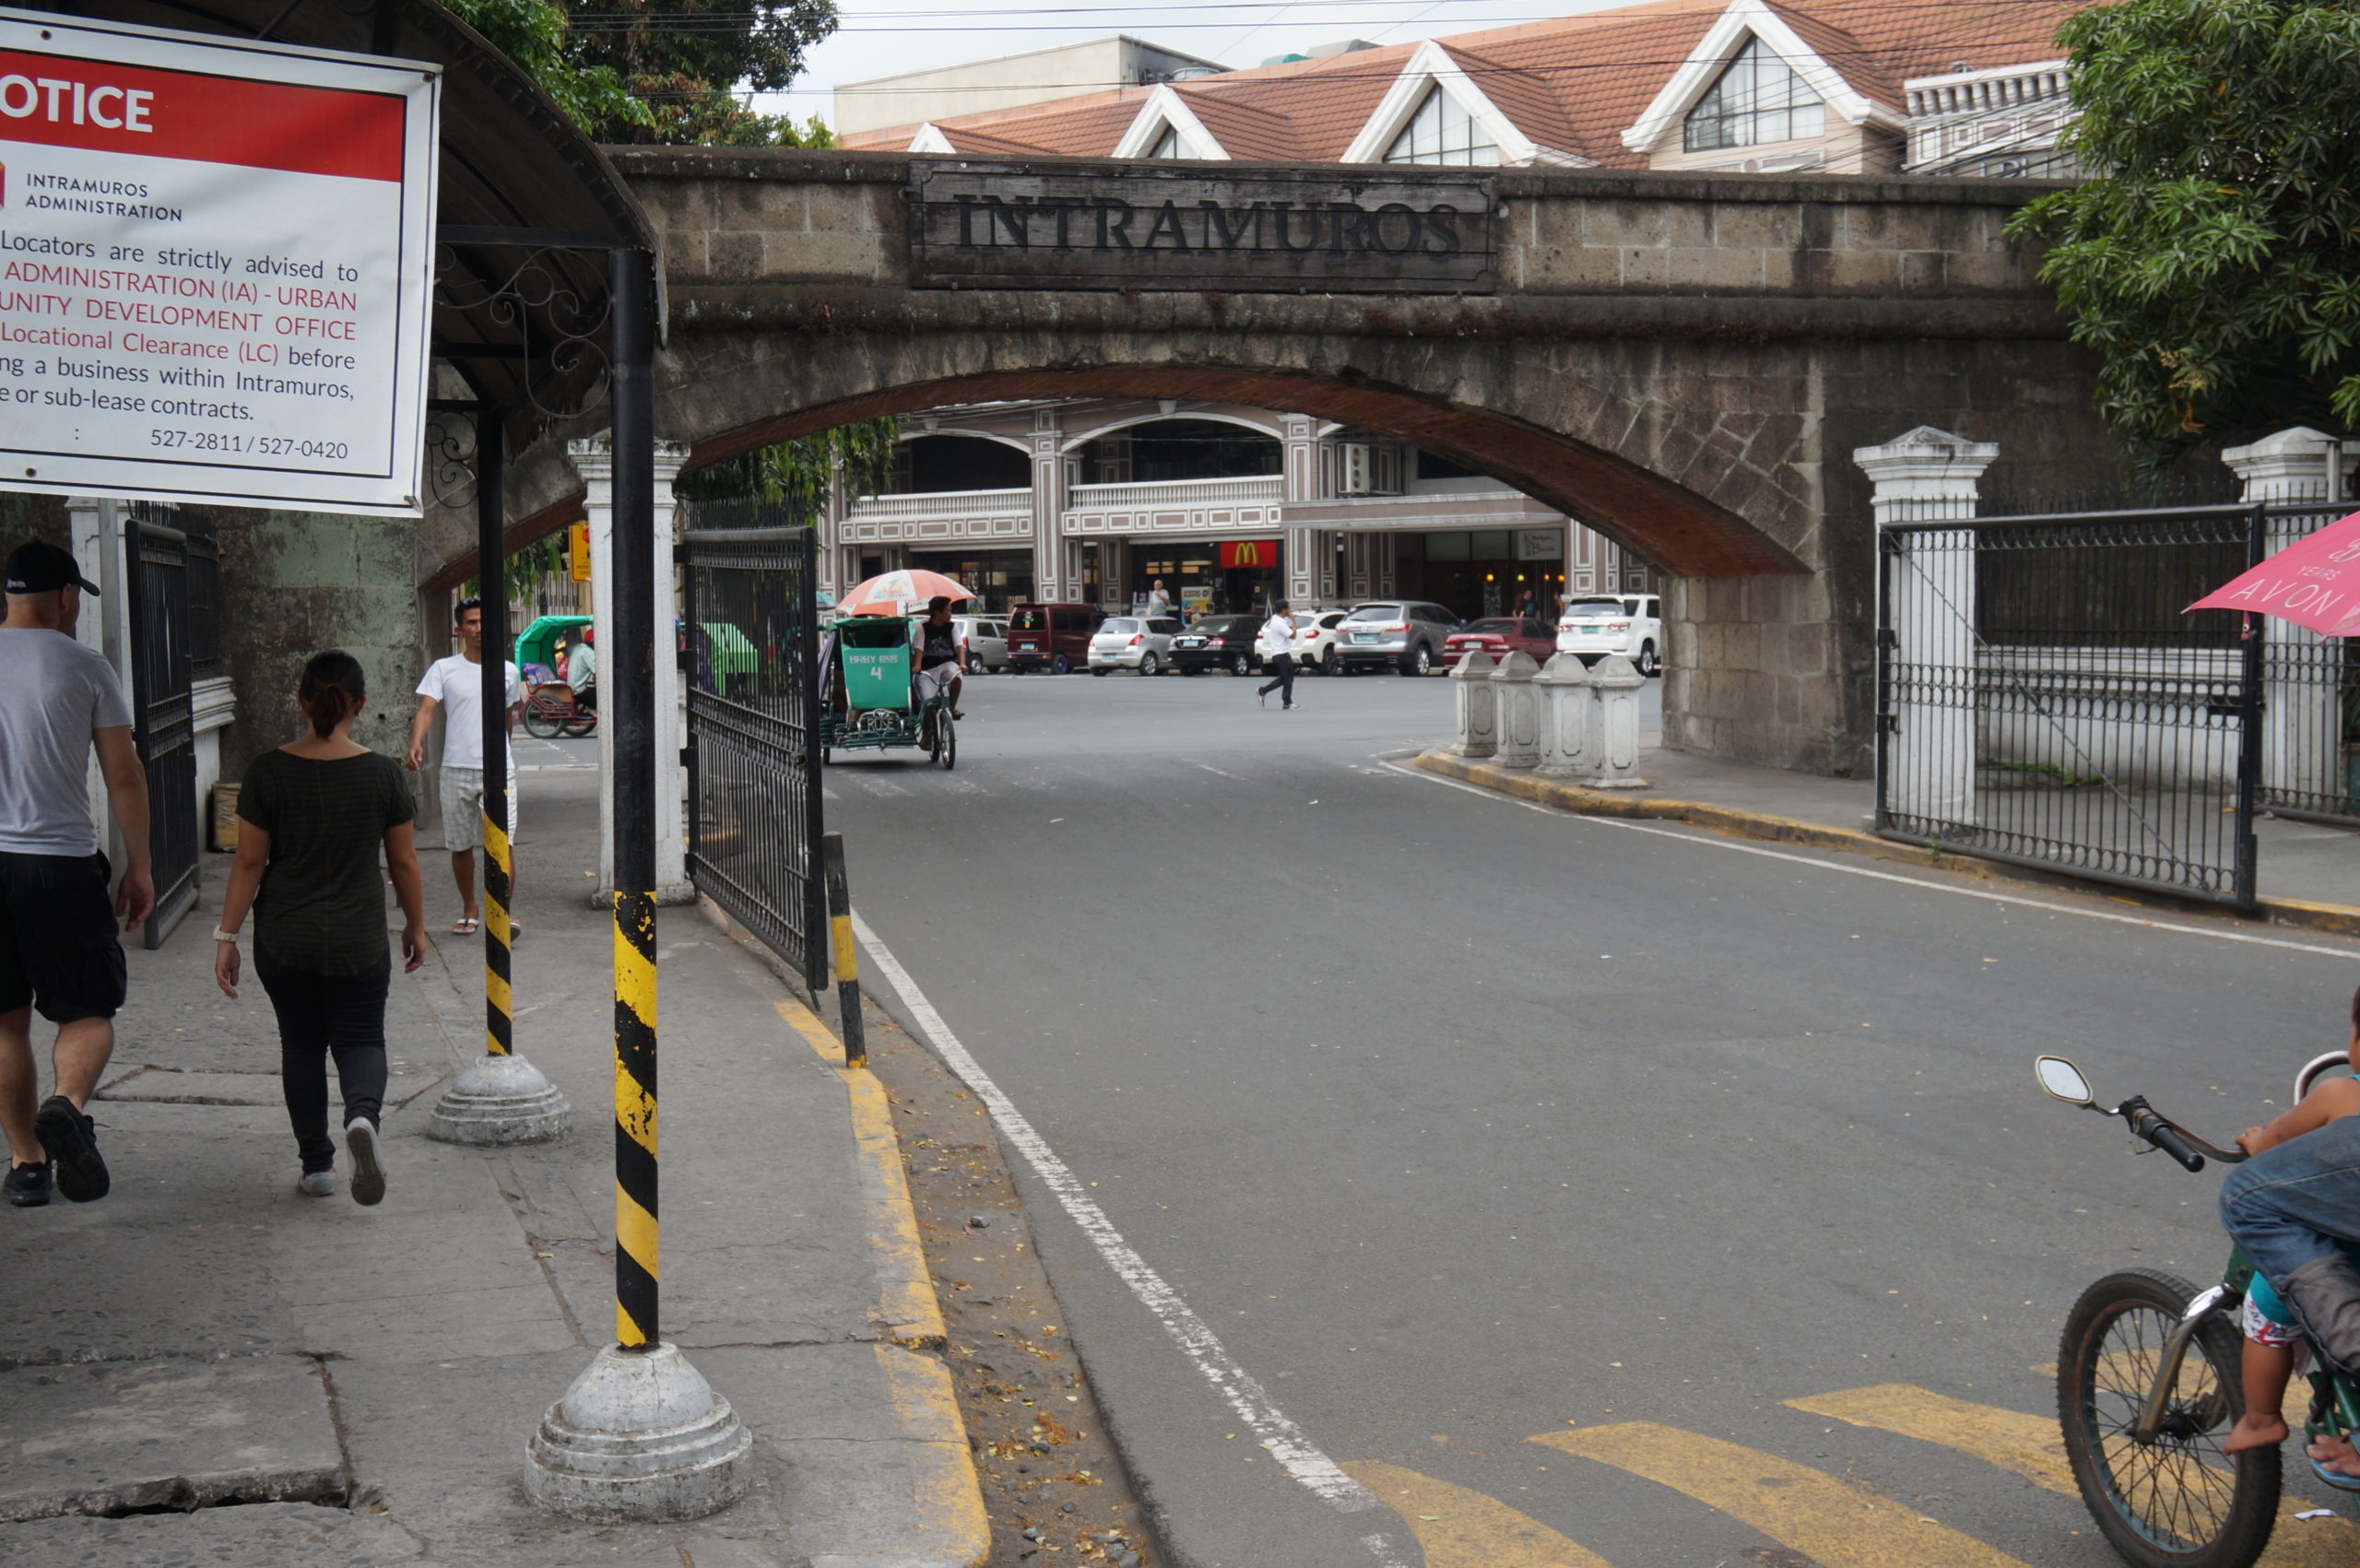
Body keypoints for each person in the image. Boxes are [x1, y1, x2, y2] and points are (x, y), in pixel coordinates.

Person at [215, 653, 425, 1204]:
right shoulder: (383, 775)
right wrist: (416, 925)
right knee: (361, 1038)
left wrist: (226, 936)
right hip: (358, 937)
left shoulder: (267, 772)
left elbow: (248, 864)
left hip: (284, 939)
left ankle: (318, 1166)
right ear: (361, 705)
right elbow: (404, 863)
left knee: (301, 1045)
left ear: (301, 701)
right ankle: (362, 1119)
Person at [0, 540, 152, 1208]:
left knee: (5, 1023)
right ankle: (65, 1103)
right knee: (88, 1009)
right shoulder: (87, 666)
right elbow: (123, 772)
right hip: (57, 862)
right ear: (66, 597)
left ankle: (27, 1164)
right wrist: (140, 863)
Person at [2221, 986, 2360, 1478]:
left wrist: (2257, 1140)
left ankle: (2259, 1420)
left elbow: (2275, 1144)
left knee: (2266, 1309)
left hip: (2341, 1260)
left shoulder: (2340, 1093)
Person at [406, 597, 523, 937]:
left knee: (503, 844)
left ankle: (502, 912)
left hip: (498, 772)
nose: (479, 629)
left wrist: (504, 754)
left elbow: (507, 718)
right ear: (459, 630)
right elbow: (427, 709)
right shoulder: (444, 669)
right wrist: (417, 742)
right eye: (471, 623)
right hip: (455, 769)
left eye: (484, 622)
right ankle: (470, 908)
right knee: (459, 846)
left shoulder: (508, 671)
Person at [914, 596, 966, 743]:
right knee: (928, 703)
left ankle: (952, 707)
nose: (950, 613)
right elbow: (918, 649)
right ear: (937, 612)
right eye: (948, 610)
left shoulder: (952, 626)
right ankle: (925, 735)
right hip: (927, 670)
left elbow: (959, 647)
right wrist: (917, 666)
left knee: (956, 675)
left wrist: (962, 664)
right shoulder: (922, 628)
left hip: (946, 664)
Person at [1256, 599, 1298, 711]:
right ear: (1283, 610)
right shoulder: (1279, 623)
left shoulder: (1276, 619)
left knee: (1286, 678)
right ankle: (1287, 702)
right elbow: (1293, 635)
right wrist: (1293, 622)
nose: (1290, 611)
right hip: (1281, 654)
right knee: (1287, 679)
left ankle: (1264, 691)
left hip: (1280, 653)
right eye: (1288, 608)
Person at [566, 625, 596, 713]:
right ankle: (594, 711)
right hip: (578, 690)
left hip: (572, 687)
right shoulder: (588, 652)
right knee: (602, 700)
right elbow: (599, 672)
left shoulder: (579, 647)